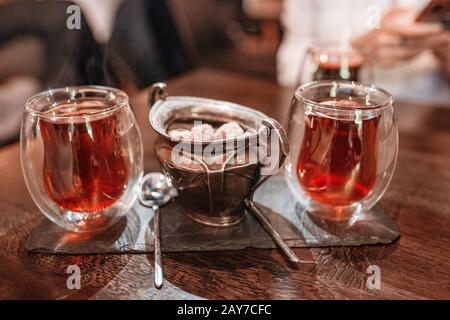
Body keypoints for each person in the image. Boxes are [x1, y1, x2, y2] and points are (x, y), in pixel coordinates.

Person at [277, 0, 450, 103]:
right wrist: (359, 52)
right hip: (340, 111)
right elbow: (291, 65)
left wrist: (445, 52)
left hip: (428, 117)